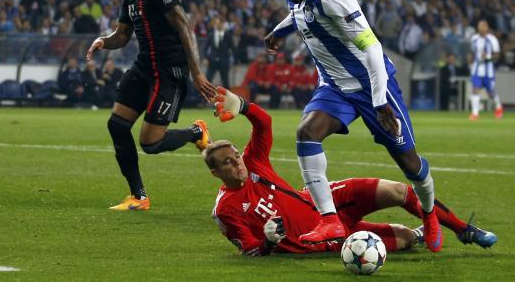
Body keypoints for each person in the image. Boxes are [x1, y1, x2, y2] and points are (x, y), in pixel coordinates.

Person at [263, 0, 443, 252]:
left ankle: (429, 216)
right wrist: (279, 31)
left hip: (372, 85)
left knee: (410, 163)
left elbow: (371, 47)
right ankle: (329, 219)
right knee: (307, 133)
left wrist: (379, 102)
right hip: (334, 87)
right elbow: (299, 15)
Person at [205, 86, 497, 256]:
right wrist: (268, 243)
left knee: (398, 190)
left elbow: (264, 123)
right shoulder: (226, 210)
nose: (237, 163)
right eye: (228, 163)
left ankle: (463, 229)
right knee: (404, 238)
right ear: (216, 173)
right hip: (317, 239)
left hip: (323, 201)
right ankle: (418, 234)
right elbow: (249, 250)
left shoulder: (253, 161)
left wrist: (243, 106)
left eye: (235, 156)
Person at [86, 0, 217, 211]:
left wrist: (196, 72)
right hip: (144, 67)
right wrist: (103, 41)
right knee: (117, 126)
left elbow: (185, 27)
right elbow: (122, 35)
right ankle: (139, 196)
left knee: (151, 143)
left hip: (168, 72)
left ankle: (196, 132)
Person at [468, 19, 503, 120]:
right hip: (476, 69)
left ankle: (498, 107)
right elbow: (471, 52)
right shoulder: (474, 38)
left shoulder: (492, 39)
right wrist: (470, 62)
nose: (481, 28)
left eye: (483, 26)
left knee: (491, 92)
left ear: (487, 28)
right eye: (480, 26)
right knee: (475, 89)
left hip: (489, 71)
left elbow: (497, 55)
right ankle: (475, 113)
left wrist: (488, 57)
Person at [204, 16, 236, 89]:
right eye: (217, 23)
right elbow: (206, 48)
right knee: (207, 79)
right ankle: (204, 98)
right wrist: (206, 58)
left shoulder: (228, 36)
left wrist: (235, 63)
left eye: (221, 23)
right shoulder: (211, 35)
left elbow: (233, 49)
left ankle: (228, 99)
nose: (219, 25)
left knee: (225, 82)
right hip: (212, 61)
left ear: (223, 24)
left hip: (224, 61)